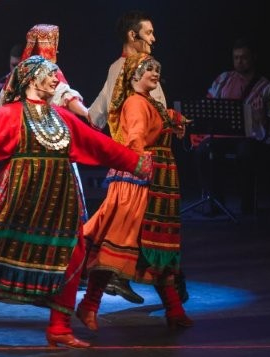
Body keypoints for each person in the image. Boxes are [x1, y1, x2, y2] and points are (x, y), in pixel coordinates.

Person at [0, 55, 152, 349]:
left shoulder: (62, 117)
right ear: (32, 79)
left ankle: (59, 327)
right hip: (19, 195)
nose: (56, 80)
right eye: (50, 74)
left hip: (58, 200)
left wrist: (134, 163)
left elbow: (99, 145)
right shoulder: (10, 114)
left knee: (69, 254)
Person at [76, 53, 192, 333]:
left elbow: (160, 117)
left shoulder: (148, 102)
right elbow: (136, 137)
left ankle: (174, 310)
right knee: (118, 244)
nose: (155, 73)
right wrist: (140, 162)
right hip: (138, 184)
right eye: (149, 69)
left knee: (156, 246)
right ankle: (89, 305)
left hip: (155, 182)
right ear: (134, 75)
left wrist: (174, 120)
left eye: (157, 69)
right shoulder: (135, 103)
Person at [86, 10, 165, 303]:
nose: (153, 39)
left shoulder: (122, 67)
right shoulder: (131, 70)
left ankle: (112, 278)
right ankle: (113, 278)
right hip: (136, 160)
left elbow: (96, 114)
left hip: (133, 159)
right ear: (132, 35)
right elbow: (150, 112)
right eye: (148, 33)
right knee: (128, 223)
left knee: (126, 223)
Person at [194, 38, 270, 216]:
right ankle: (215, 201)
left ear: (253, 58)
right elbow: (208, 104)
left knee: (246, 152)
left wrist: (260, 115)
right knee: (202, 151)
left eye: (244, 57)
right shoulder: (223, 79)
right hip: (224, 136)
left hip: (250, 138)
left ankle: (247, 203)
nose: (239, 61)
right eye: (236, 58)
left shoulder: (266, 87)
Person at [0, 25, 89, 120]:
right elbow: (65, 95)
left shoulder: (20, 69)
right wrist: (86, 113)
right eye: (53, 43)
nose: (56, 50)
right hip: (27, 122)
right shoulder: (44, 69)